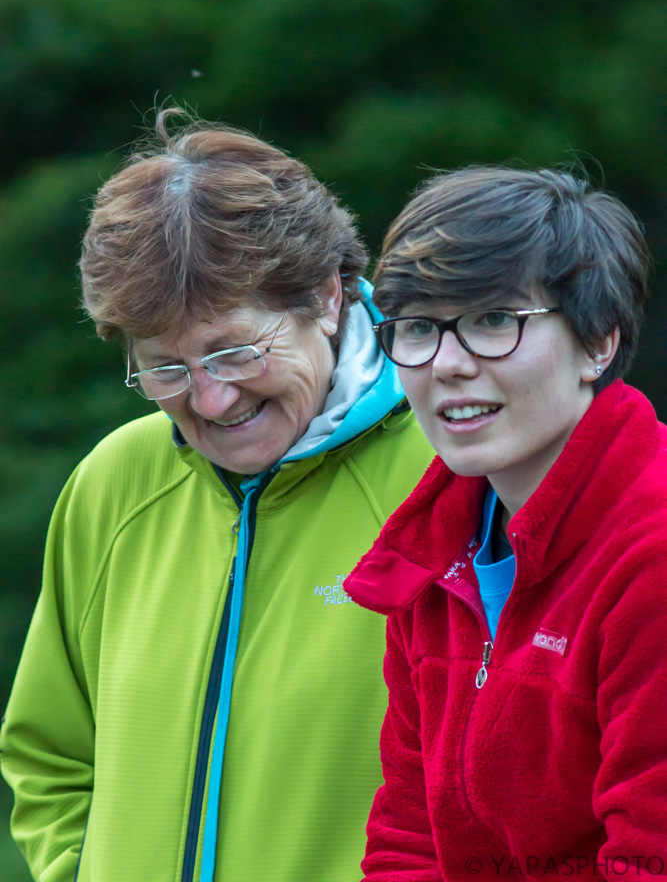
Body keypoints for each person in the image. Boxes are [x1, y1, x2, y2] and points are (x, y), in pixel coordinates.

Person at [0, 110, 432, 882]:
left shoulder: (451, 474)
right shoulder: (112, 483)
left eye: (232, 351)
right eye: (164, 368)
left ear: (329, 298)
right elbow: (49, 753)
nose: (209, 399)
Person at [344, 167, 667, 880]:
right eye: (419, 328)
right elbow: (408, 837)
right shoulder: (430, 554)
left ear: (598, 344)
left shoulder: (652, 555)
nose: (448, 365)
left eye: (494, 321)